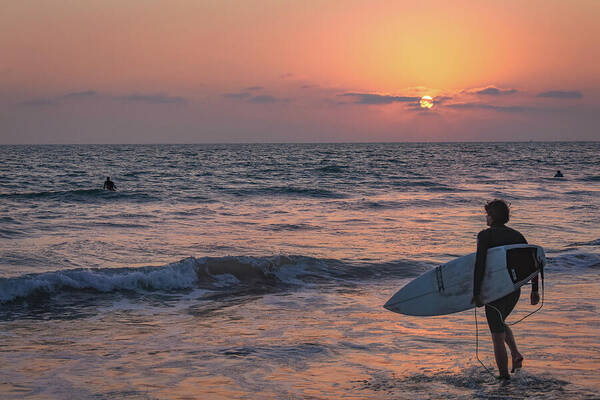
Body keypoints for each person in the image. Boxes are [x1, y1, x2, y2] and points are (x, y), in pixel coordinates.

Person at [472, 199, 539, 380]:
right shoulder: (518, 235)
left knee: (496, 335)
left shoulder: (485, 236)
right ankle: (516, 354)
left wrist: (476, 293)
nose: (486, 218)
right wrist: (535, 290)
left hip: (495, 291)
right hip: (513, 289)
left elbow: (480, 265)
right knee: (500, 321)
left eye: (487, 214)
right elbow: (533, 262)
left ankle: (503, 378)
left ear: (492, 216)